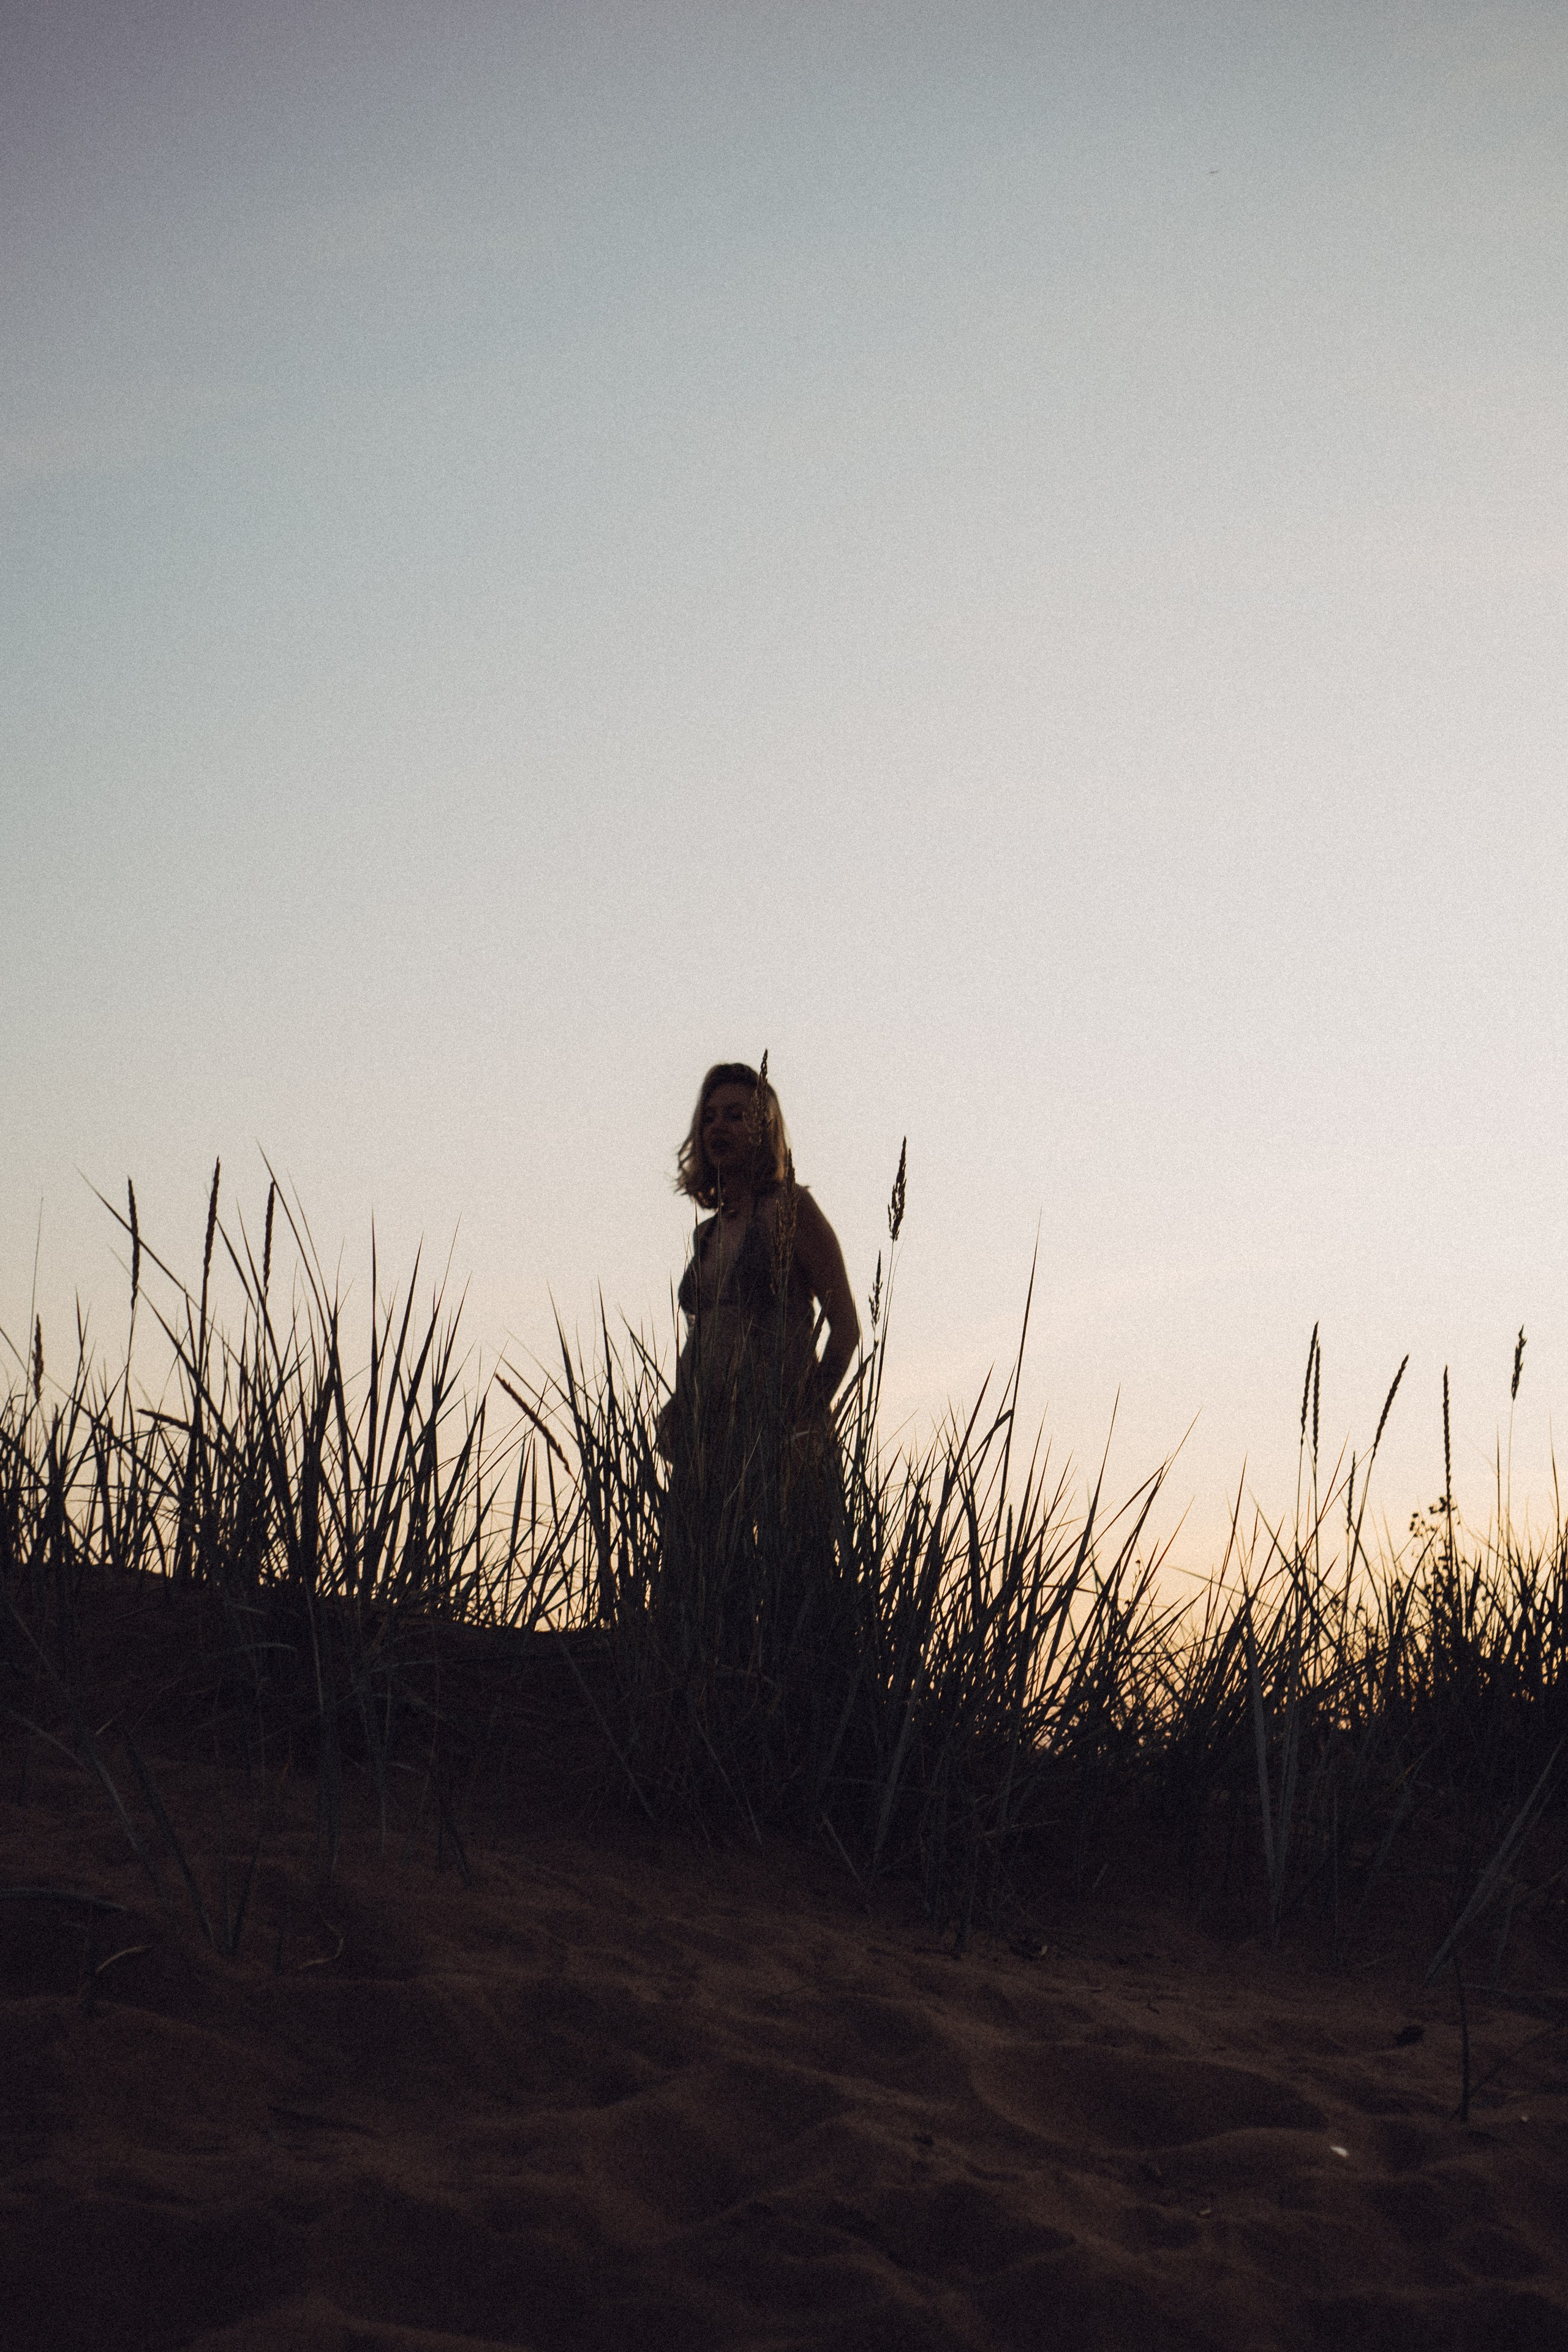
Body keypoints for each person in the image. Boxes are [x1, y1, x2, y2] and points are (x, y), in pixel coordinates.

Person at [658, 1061, 859, 1473]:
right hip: (709, 1445)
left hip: (782, 1445)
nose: (719, 1127)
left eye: (736, 1115)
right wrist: (679, 1409)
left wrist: (806, 1420)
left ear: (764, 1126)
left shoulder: (791, 1207)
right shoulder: (707, 1235)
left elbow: (846, 1328)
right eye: (709, 1117)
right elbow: (707, 1334)